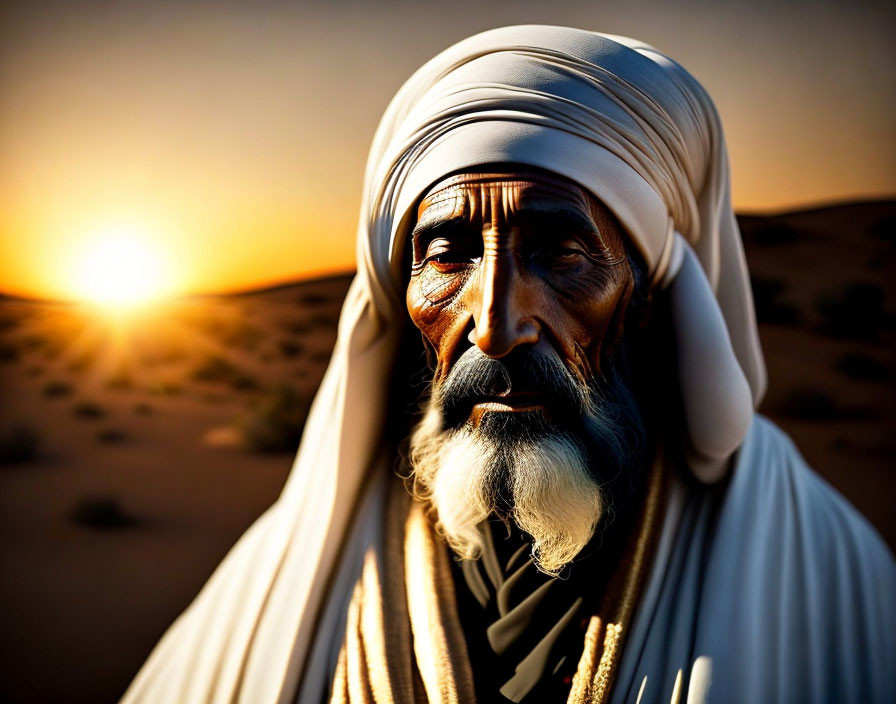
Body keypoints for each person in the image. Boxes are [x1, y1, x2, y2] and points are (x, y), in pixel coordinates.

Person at [122, 25, 895, 704]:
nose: (495, 327)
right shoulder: (278, 588)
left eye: (562, 254)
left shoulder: (820, 566)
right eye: (448, 255)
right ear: (401, 289)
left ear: (651, 292)